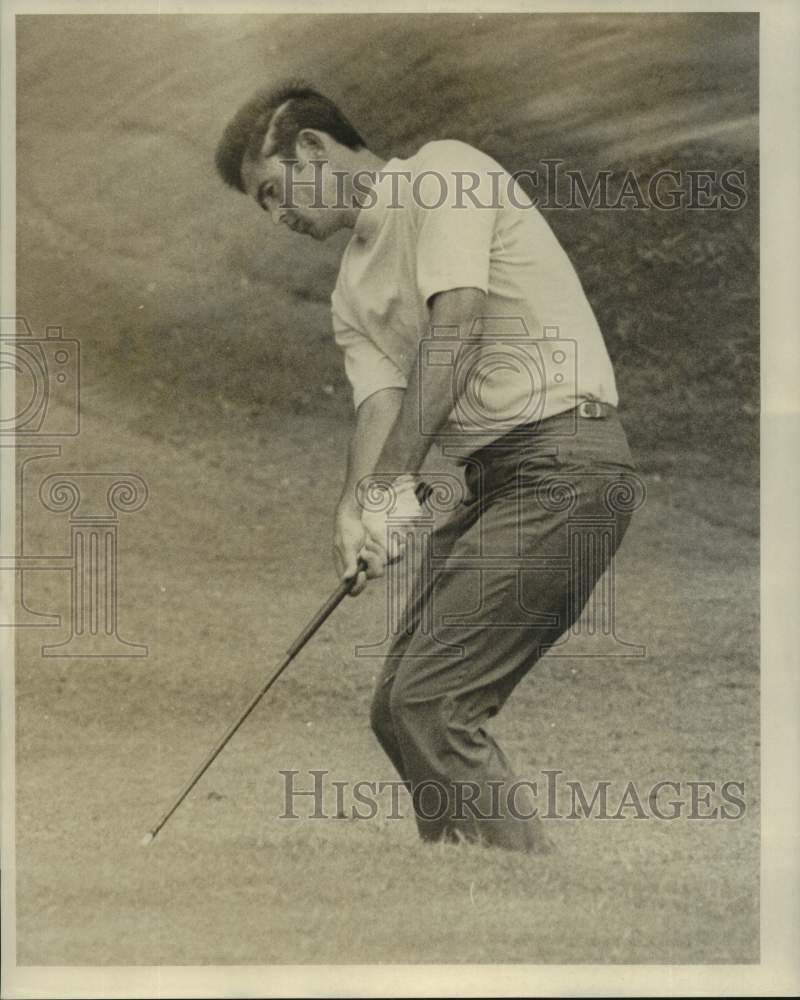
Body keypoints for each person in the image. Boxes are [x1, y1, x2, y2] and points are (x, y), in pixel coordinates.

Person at [216, 82, 639, 853]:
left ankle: (535, 909)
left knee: (432, 705)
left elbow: (457, 333)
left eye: (275, 192)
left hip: (566, 465)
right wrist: (355, 513)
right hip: (495, 483)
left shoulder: (444, 175)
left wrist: (389, 490)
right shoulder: (352, 286)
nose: (279, 216)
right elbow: (378, 406)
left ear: (312, 149)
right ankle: (465, 899)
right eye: (263, 207)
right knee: (396, 710)